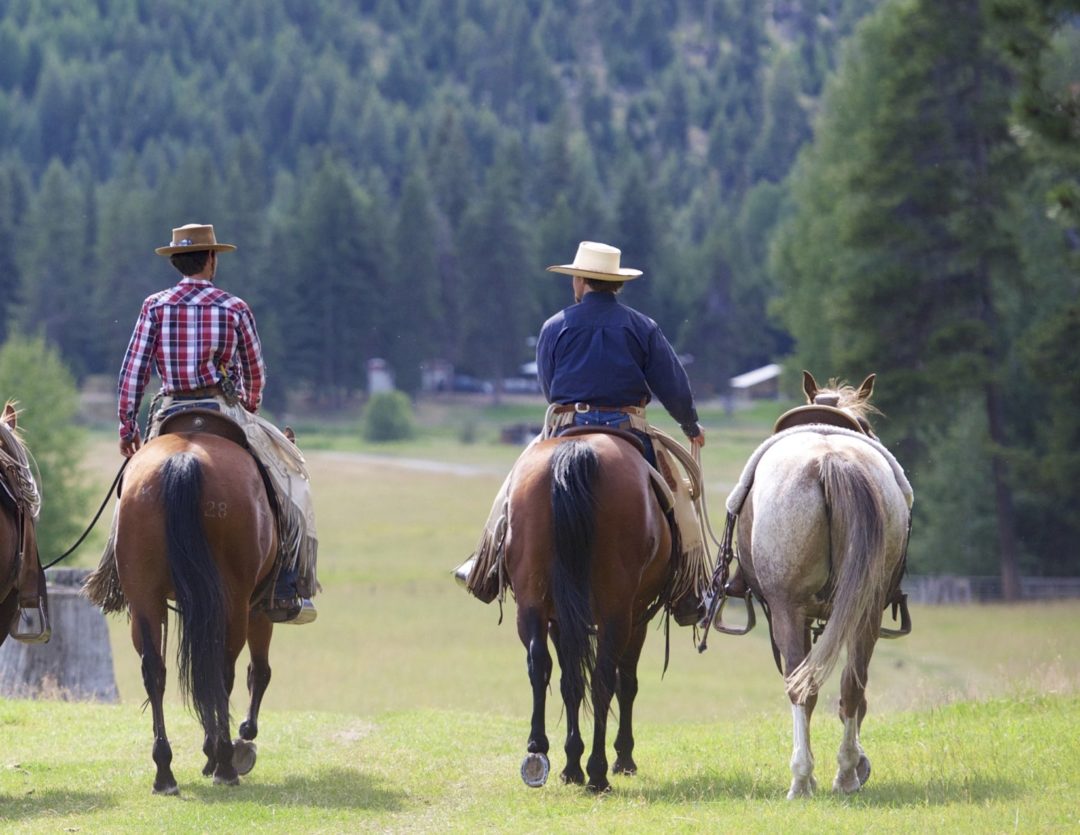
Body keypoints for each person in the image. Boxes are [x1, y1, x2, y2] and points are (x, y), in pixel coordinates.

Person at [456, 241, 709, 625]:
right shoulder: (643, 327)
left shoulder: (554, 327)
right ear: (615, 284)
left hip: (565, 426)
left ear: (579, 281)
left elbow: (548, 385)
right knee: (679, 497)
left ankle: (485, 565)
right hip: (629, 429)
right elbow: (672, 384)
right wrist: (690, 425)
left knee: (514, 486)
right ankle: (691, 592)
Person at [114, 223, 318, 624]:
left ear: (176, 261)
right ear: (210, 259)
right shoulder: (234, 307)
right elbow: (255, 372)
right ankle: (287, 578)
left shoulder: (154, 306)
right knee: (289, 478)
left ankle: (118, 574)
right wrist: (251, 406)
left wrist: (127, 429)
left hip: (168, 411)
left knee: (129, 494)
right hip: (224, 409)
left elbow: (132, 373)